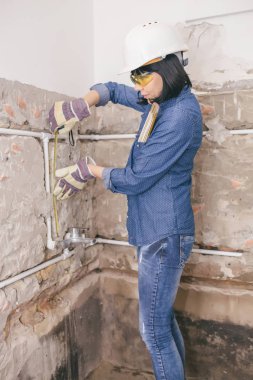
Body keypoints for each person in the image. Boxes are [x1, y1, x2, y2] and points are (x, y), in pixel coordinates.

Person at [49, 21, 202, 380]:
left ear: (167, 66)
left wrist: (91, 170)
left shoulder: (180, 115)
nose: (139, 88)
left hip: (164, 236)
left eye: (142, 78)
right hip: (156, 231)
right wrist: (85, 103)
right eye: (135, 78)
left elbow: (136, 180)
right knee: (161, 323)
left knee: (153, 332)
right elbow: (117, 91)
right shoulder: (160, 98)